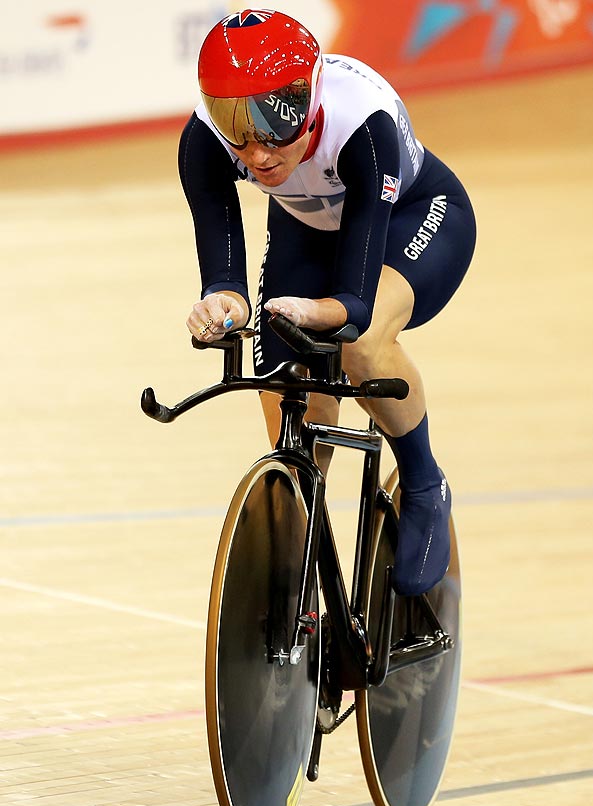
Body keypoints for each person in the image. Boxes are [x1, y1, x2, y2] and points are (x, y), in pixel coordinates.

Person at [180, 9, 476, 596]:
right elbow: (225, 273)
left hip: (413, 219)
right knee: (287, 379)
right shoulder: (205, 141)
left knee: (360, 345)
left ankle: (423, 482)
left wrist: (327, 315)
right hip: (309, 228)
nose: (257, 152)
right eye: (235, 123)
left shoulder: (362, 124)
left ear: (308, 103)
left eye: (271, 123)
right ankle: (305, 549)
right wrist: (223, 306)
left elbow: (355, 304)